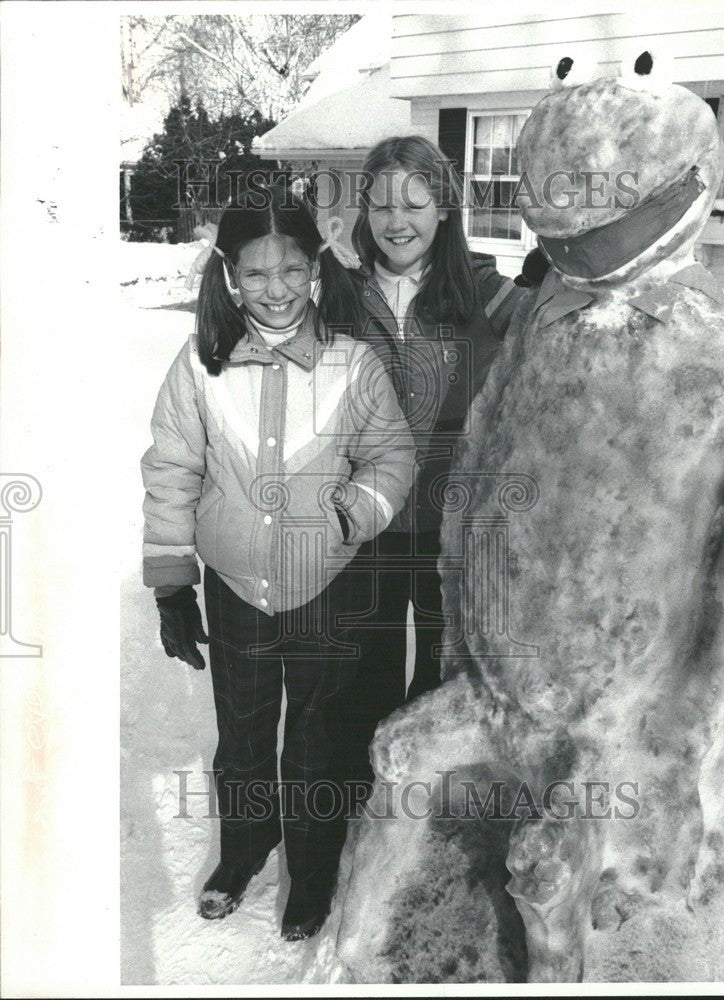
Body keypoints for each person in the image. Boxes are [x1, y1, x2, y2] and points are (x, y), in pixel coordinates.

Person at [140, 183, 415, 941]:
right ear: (229, 277)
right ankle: (247, 844)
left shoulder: (352, 366)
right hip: (236, 592)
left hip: (325, 584)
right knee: (245, 731)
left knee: (317, 736)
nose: (277, 290)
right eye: (256, 274)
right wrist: (172, 585)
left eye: (293, 271)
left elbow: (391, 454)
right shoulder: (200, 368)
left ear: (318, 272)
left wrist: (356, 509)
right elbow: (171, 470)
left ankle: (313, 865)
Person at [337, 135, 548, 793]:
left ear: (444, 210)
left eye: (415, 204)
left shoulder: (487, 295)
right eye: (381, 207)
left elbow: (558, 340)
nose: (397, 222)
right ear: (363, 215)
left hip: (450, 530)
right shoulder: (337, 297)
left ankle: (424, 819)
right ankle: (359, 809)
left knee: (441, 678)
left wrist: (559, 273)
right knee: (360, 678)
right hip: (361, 527)